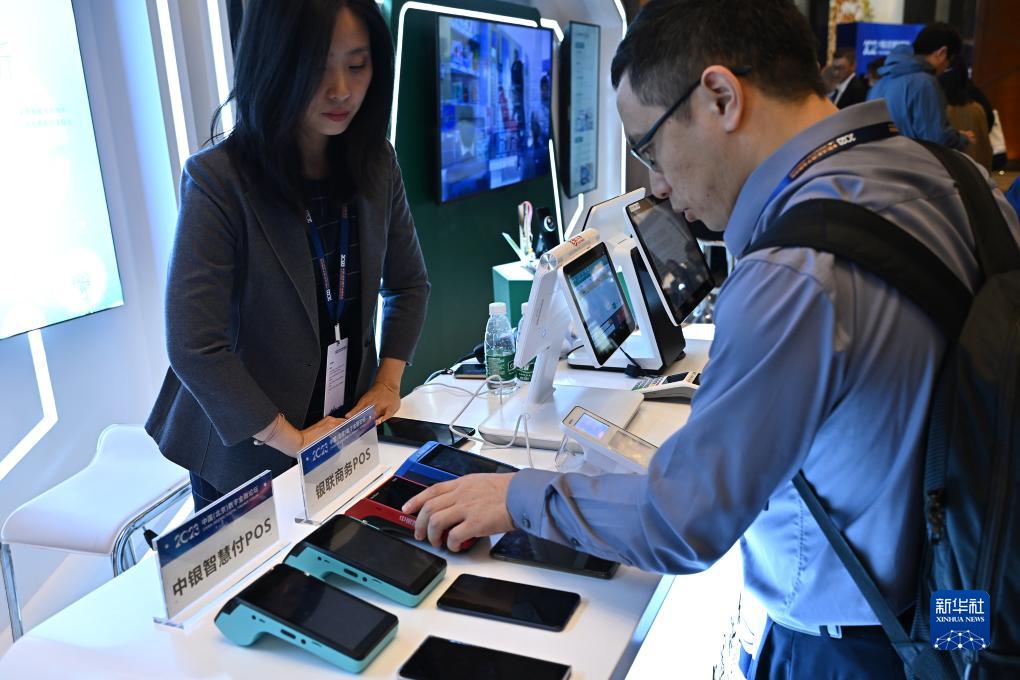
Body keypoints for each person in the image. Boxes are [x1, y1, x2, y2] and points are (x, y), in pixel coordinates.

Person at [402, 1, 1020, 677]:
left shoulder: (795, 269)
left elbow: (683, 520)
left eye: (650, 149)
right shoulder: (958, 179)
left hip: (857, 648)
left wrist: (516, 496)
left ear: (722, 97)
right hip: (966, 596)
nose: (658, 185)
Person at [146, 0, 429, 511]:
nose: (341, 89)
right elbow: (194, 344)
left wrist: (388, 382)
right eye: (317, 67)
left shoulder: (376, 163)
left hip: (342, 426)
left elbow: (408, 284)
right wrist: (291, 439)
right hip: (246, 447)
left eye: (357, 65)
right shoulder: (218, 180)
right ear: (274, 63)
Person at [867, 22, 973, 149]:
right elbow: (936, 139)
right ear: (942, 53)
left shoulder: (881, 82)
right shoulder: (925, 83)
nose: (945, 68)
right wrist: (962, 139)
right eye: (949, 62)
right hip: (909, 160)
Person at [940, 55, 993, 170]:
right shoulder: (977, 105)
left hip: (948, 165)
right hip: (977, 166)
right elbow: (989, 121)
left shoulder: (938, 102)